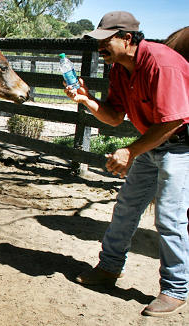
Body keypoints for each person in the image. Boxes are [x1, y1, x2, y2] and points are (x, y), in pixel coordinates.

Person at [63, 11, 189, 317]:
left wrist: (130, 151)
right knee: (126, 208)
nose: (100, 48)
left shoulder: (162, 64)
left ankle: (176, 289)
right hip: (152, 142)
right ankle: (109, 268)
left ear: (127, 38)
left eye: (106, 41)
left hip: (181, 144)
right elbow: (115, 116)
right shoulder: (119, 69)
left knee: (170, 218)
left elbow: (173, 122)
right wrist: (86, 100)